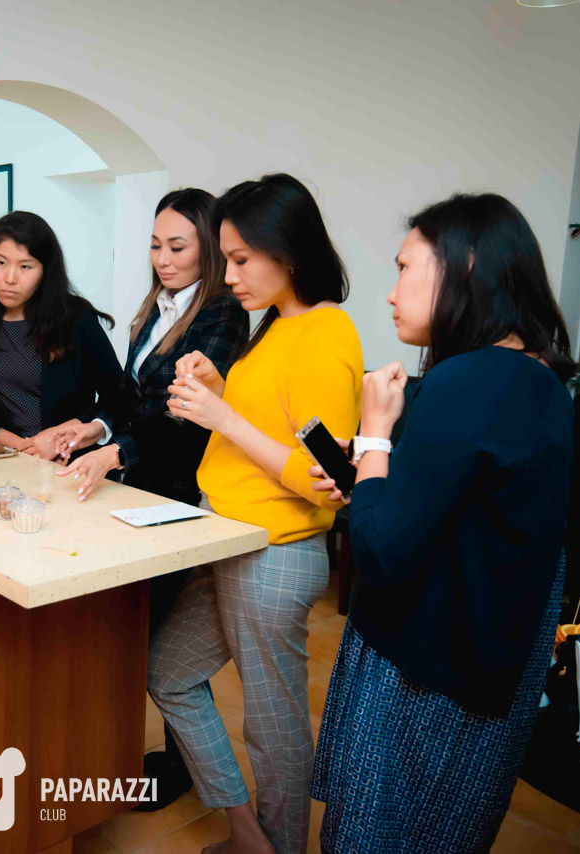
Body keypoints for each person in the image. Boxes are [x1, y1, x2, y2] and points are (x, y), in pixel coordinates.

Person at [309, 194, 576, 853]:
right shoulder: (535, 377)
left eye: (405, 268)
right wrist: (370, 470)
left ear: (467, 267)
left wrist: (375, 433)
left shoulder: (465, 381)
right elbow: (458, 507)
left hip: (425, 674)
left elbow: (382, 552)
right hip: (487, 665)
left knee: (377, 836)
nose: (391, 291)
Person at [147, 173, 363, 854]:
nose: (229, 275)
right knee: (169, 676)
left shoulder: (326, 330)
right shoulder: (273, 327)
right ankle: (250, 833)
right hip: (229, 537)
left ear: (288, 252)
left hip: (273, 552)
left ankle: (277, 846)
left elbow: (328, 482)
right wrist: (219, 388)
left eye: (240, 260)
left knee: (274, 726)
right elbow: (269, 421)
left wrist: (222, 416)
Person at [52, 188, 251, 810]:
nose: (163, 259)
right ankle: (161, 753)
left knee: (161, 638)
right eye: (156, 246)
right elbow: (134, 400)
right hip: (144, 489)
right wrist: (97, 429)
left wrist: (117, 452)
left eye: (178, 247)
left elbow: (184, 418)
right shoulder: (155, 309)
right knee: (142, 628)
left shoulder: (221, 314)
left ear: (209, 249)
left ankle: (181, 763)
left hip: (183, 490)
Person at [0, 211, 123, 458]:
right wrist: (25, 447)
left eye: (25, 266)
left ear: (45, 270)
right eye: (0, 263)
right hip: (7, 462)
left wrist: (62, 436)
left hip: (72, 462)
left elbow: (118, 396)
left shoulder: (75, 318)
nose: (10, 278)